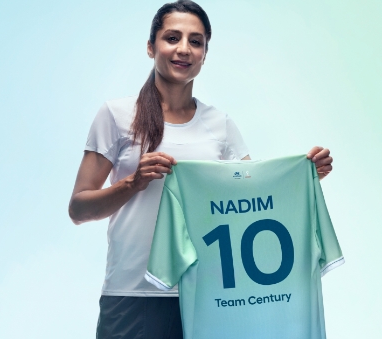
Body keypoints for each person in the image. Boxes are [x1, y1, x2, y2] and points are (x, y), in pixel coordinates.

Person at [68, 1, 334, 338]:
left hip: (209, 296)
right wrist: (133, 182)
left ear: (205, 54)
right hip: (132, 294)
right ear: (151, 47)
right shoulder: (117, 116)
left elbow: (252, 199)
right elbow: (78, 208)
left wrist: (303, 178)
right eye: (172, 38)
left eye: (196, 41)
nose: (184, 49)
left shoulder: (219, 125)